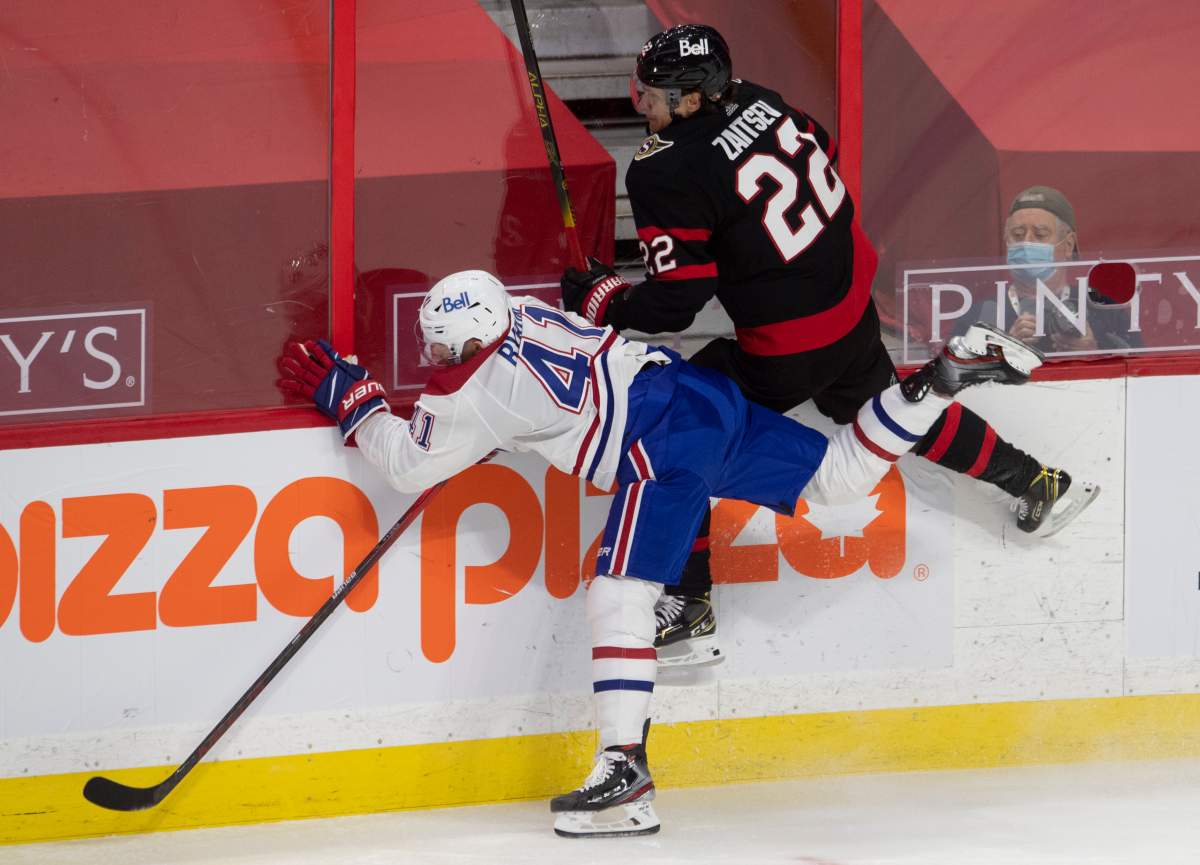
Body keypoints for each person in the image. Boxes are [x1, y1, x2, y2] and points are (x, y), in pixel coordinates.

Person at [278, 269, 1043, 837]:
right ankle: (941, 380)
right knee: (839, 475)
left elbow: (413, 461)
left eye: (442, 349)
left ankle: (624, 772)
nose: (437, 360)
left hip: (656, 447)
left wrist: (355, 401)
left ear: (466, 340)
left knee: (619, 594)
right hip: (687, 392)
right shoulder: (522, 311)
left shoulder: (470, 390)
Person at [559, 24, 1099, 668]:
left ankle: (690, 603)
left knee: (677, 427)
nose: (638, 103)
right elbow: (827, 152)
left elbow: (678, 302)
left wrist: (604, 299)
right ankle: (1039, 482)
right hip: (847, 305)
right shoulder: (763, 98)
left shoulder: (663, 168)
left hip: (786, 343)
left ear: (696, 97)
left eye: (653, 93)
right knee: (889, 409)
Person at [994, 185, 1137, 353]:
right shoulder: (981, 314)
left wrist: (1094, 351)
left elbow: (1140, 369)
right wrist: (1006, 349)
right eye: (1017, 234)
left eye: (1040, 235)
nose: (1027, 243)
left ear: (1068, 244)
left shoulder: (1105, 310)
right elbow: (961, 371)